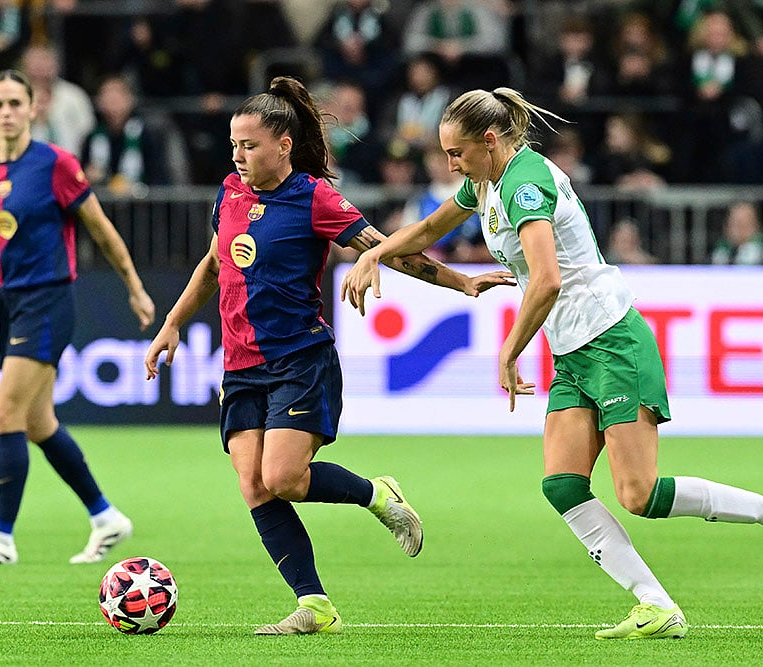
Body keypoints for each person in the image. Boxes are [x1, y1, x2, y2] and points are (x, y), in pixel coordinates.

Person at [341, 86, 763, 640]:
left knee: (639, 494)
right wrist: (375, 250)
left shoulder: (525, 184)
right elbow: (431, 229)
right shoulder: (487, 181)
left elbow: (547, 280)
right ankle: (656, 605)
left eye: (457, 153)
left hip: (611, 340)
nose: (450, 164)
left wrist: (510, 349)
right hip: (574, 350)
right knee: (562, 484)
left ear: (489, 140)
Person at [143, 76, 511, 636]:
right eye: (234, 145)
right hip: (240, 366)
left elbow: (388, 250)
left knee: (284, 478)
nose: (238, 156)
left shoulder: (314, 197)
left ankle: (376, 495)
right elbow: (215, 263)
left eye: (250, 145)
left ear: (283, 145)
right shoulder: (230, 192)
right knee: (253, 484)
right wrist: (172, 323)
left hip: (299, 359)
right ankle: (314, 605)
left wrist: (459, 281)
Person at [0, 69, 156, 566]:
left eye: (15, 103)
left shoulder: (56, 164)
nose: (7, 112)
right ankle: (106, 517)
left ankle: (1, 540)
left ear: (33, 109)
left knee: (5, 413)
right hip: (9, 301)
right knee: (36, 422)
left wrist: (135, 288)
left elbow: (101, 229)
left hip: (48, 299)